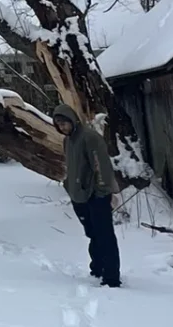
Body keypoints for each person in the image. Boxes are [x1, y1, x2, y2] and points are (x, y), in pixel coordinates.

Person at [52, 103, 122, 287]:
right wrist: (69, 186)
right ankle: (97, 268)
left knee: (104, 235)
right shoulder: (68, 141)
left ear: (72, 119)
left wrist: (101, 191)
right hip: (79, 195)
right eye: (58, 124)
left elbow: (101, 166)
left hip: (96, 195)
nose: (62, 127)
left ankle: (112, 277)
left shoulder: (90, 138)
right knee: (93, 234)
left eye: (64, 123)